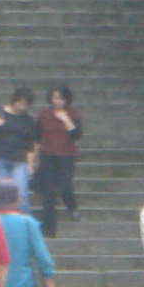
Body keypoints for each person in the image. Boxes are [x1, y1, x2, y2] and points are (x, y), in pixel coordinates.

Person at [32, 86, 83, 237]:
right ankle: (49, 228)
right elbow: (37, 136)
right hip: (48, 155)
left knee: (65, 186)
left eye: (61, 98)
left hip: (66, 155)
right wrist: (34, 158)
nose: (58, 101)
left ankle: (72, 206)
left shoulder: (73, 114)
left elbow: (77, 135)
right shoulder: (44, 114)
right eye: (55, 98)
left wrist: (66, 120)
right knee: (48, 191)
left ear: (66, 99)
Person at [0, 86, 40, 204]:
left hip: (20, 160)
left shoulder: (29, 120)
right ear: (14, 100)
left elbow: (32, 144)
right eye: (20, 103)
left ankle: (22, 215)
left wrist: (30, 164)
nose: (22, 107)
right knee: (2, 194)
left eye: (25, 104)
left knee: (21, 194)